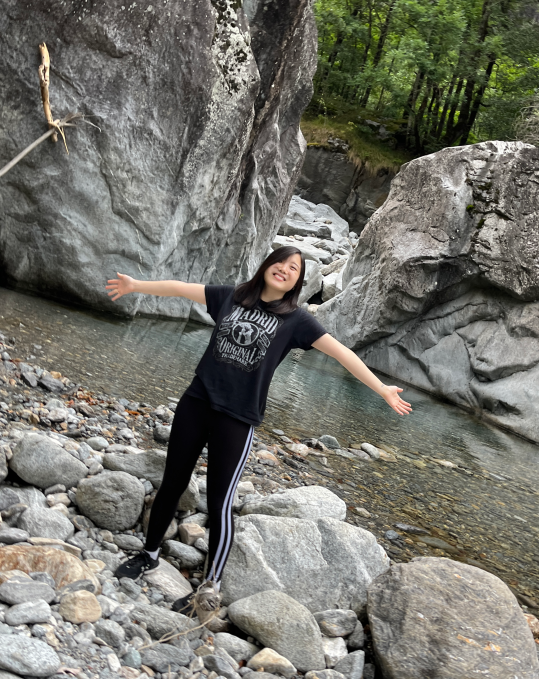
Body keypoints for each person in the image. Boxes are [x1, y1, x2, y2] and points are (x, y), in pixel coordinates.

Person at [105, 247, 411, 614]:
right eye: (280, 262)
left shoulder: (297, 320)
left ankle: (210, 586)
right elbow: (181, 289)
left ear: (299, 281)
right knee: (172, 481)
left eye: (294, 268)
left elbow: (341, 353)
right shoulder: (231, 296)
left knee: (219, 503)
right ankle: (149, 555)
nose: (284, 269)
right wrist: (136, 284)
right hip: (197, 402)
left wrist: (381, 388)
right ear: (267, 265)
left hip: (237, 418)